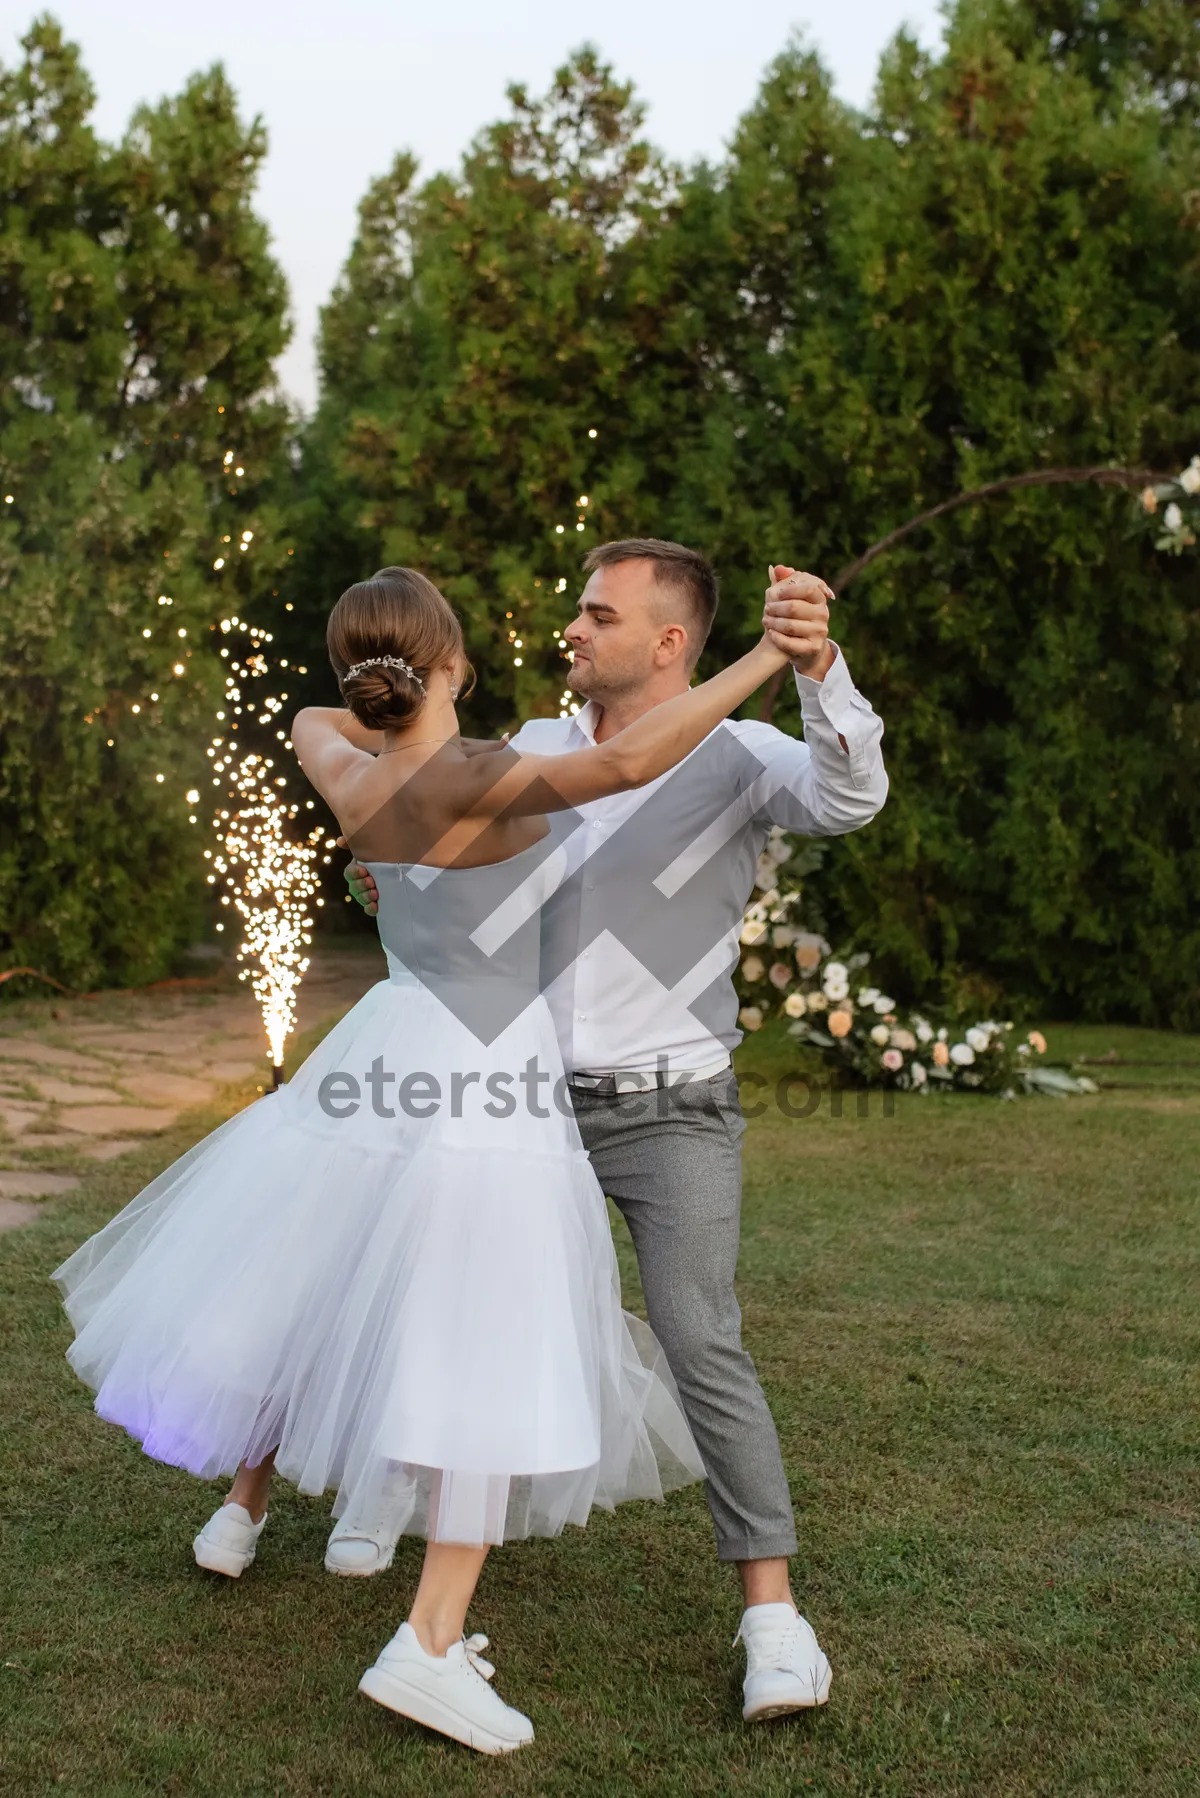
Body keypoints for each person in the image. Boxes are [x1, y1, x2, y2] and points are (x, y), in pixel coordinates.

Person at [51, 566, 797, 1756]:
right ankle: (432, 1639)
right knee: (486, 1339)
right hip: (485, 1079)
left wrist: (382, 705)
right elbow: (624, 765)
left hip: (381, 1050)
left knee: (323, 1274)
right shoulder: (483, 775)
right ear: (450, 659)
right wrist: (762, 663)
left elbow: (316, 717)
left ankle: (260, 1518)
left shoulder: (342, 763)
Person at [343, 540, 888, 1724]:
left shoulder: (741, 755)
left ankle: (774, 1622)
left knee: (700, 1335)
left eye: (599, 614)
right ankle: (378, 1508)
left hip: (673, 1105)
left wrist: (817, 665)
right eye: (578, 612)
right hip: (519, 1100)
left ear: (671, 642)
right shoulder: (537, 749)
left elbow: (852, 795)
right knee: (450, 1306)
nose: (574, 630)